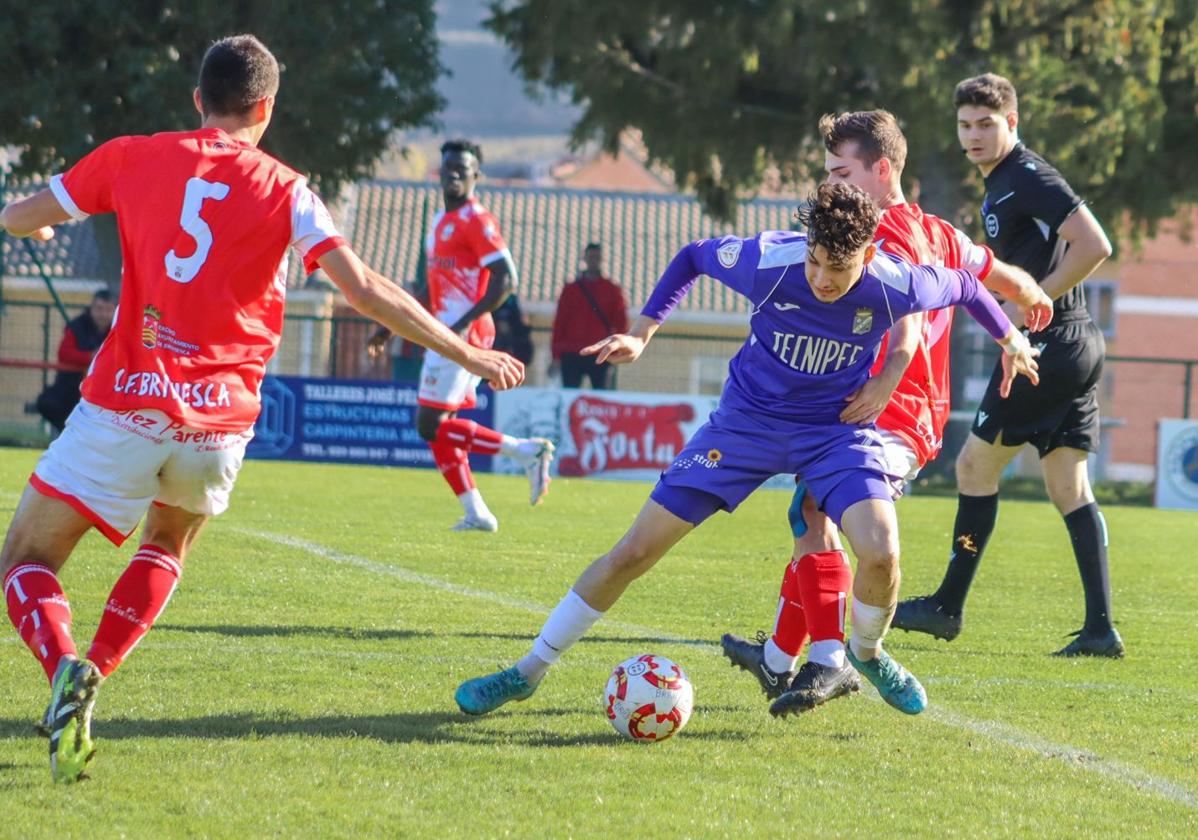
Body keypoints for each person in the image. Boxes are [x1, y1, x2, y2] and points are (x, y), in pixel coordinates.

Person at [0, 34, 525, 784]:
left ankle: (64, 668)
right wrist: (467, 353)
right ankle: (96, 679)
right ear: (266, 109)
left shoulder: (128, 155)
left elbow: (18, 215)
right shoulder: (289, 188)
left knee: (25, 560)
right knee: (167, 545)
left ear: (197, 100)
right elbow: (367, 289)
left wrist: (39, 223)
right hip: (220, 423)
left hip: (124, 402)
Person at [453, 182, 1041, 721]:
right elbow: (692, 256)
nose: (821, 279)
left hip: (833, 431)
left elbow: (966, 286)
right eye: (814, 260)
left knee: (883, 553)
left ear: (866, 254)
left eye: (837, 268)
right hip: (744, 425)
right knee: (634, 551)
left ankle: (866, 652)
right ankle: (526, 672)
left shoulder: (897, 282)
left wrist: (1011, 339)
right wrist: (643, 330)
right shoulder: (769, 261)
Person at [720, 110, 1053, 716]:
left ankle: (836, 660)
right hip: (909, 414)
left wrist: (888, 379)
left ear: (881, 169)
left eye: (840, 172)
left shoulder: (881, 237)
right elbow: (997, 277)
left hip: (884, 410)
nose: (829, 188)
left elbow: (904, 325)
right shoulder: (942, 231)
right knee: (809, 514)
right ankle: (775, 660)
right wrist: (1032, 306)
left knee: (815, 511)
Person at [893, 73, 1121, 658]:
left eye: (985, 124)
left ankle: (946, 606)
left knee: (973, 467)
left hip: (1052, 346)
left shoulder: (1027, 175)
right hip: (1076, 343)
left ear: (1011, 124)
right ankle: (1100, 630)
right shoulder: (1003, 183)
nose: (972, 135)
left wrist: (1030, 308)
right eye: (964, 124)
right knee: (1068, 485)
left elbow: (1095, 245)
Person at [368, 140, 554, 532]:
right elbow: (428, 289)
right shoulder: (439, 222)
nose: (454, 174)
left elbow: (506, 280)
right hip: (444, 334)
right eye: (448, 166)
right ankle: (477, 512)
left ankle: (526, 451)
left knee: (428, 424)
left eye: (462, 169)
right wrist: (388, 325)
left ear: (476, 176)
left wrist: (461, 325)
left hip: (463, 337)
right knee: (438, 426)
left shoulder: (476, 219)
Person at [550, 242, 629, 389]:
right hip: (572, 352)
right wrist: (555, 355)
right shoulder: (571, 290)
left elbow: (621, 323)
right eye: (590, 257)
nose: (593, 261)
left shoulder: (612, 290)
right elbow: (559, 323)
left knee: (602, 399)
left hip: (601, 353)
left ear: (601, 260)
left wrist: (617, 349)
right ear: (585, 259)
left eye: (597, 257)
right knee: (570, 397)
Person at [35, 289, 115, 431]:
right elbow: (65, 354)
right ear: (91, 309)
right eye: (99, 309)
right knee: (47, 403)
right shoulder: (77, 326)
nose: (103, 314)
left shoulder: (118, 329)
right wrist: (91, 356)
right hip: (71, 388)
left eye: (108, 310)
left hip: (105, 392)